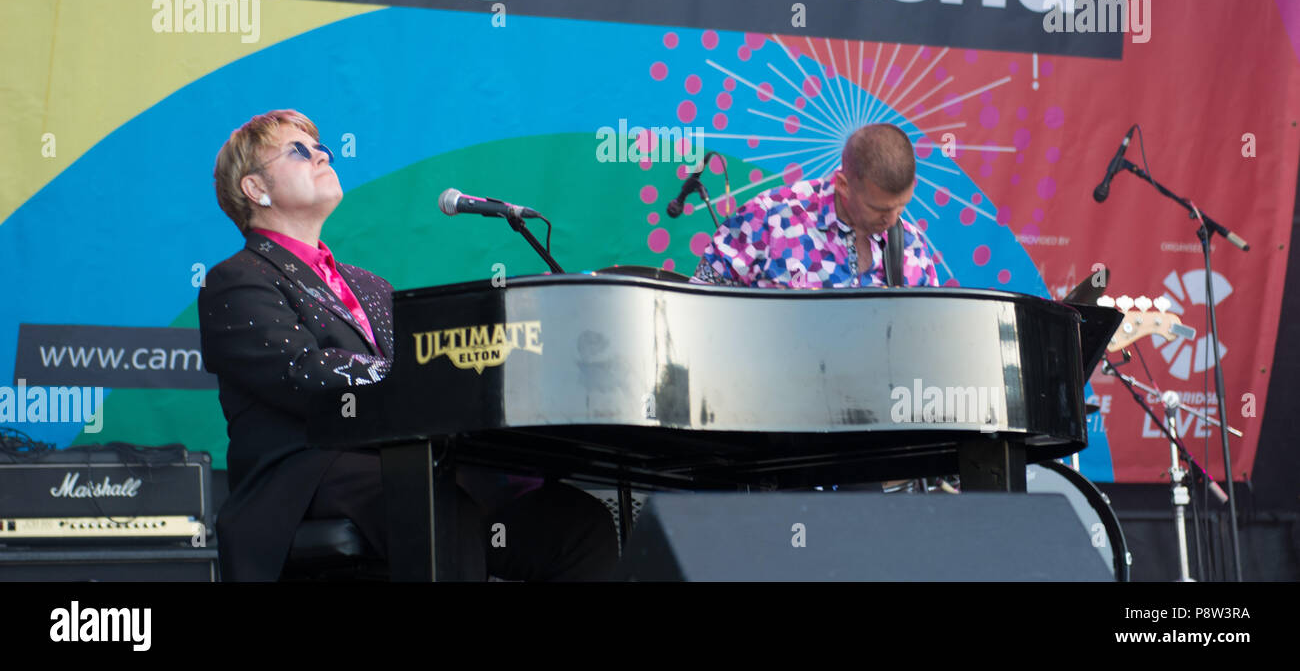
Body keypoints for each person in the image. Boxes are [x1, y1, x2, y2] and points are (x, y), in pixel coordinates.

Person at [199, 110, 617, 580]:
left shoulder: (369, 285)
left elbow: (418, 367)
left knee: (577, 522)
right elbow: (304, 373)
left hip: (411, 458)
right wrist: (420, 375)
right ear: (256, 189)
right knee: (435, 506)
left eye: (322, 149)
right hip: (312, 472)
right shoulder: (237, 281)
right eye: (300, 150)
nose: (320, 156)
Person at [692, 123, 939, 288]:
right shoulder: (769, 218)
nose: (893, 220)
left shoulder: (912, 245)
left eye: (901, 206)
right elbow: (700, 302)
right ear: (843, 184)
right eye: (879, 209)